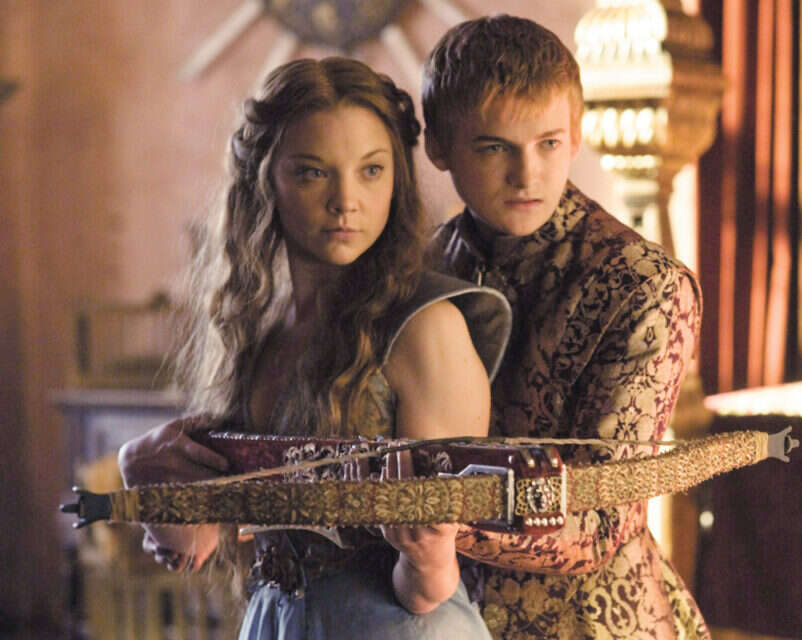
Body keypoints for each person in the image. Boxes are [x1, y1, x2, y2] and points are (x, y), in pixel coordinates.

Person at [117, 57, 510, 639]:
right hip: (278, 620)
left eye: (371, 170)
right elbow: (193, 546)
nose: (346, 200)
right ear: (265, 182)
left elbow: (429, 586)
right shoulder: (257, 331)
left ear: (397, 179)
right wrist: (139, 468)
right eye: (312, 173)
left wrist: (427, 556)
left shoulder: (427, 329)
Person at [421, 15, 709, 640]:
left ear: (576, 135)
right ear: (438, 146)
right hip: (435, 614)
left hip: (594, 622)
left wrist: (422, 514)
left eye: (548, 144)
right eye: (494, 148)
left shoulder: (644, 285)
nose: (526, 176)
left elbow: (600, 518)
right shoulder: (421, 266)